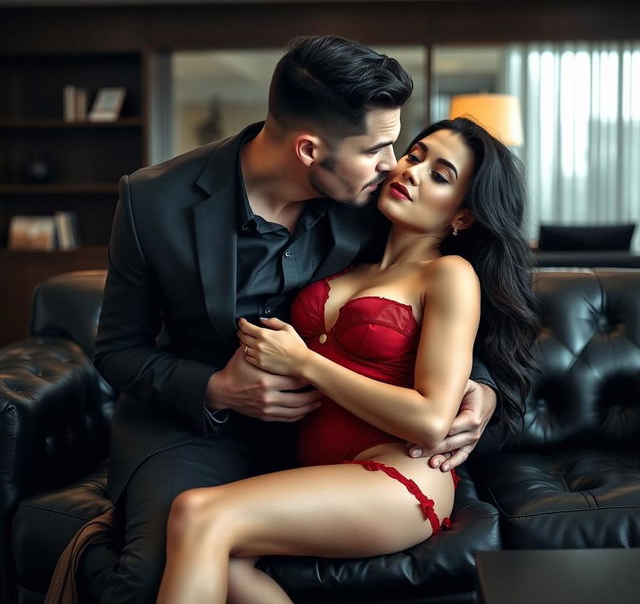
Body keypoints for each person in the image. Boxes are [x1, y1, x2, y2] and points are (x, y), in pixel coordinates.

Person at [83, 36, 499, 603]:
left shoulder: (371, 199)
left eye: (398, 147)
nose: (393, 165)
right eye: (380, 149)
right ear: (308, 151)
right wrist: (218, 390)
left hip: (341, 437)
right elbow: (116, 349)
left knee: (210, 534)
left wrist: (482, 390)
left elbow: (422, 301)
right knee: (151, 568)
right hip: (200, 430)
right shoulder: (152, 202)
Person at [155, 116, 539, 603]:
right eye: (414, 156)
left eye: (439, 176)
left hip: (399, 474)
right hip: (317, 468)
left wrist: (305, 363)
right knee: (215, 557)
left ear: (462, 216)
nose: (412, 172)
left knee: (198, 514)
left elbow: (429, 419)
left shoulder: (448, 274)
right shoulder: (344, 254)